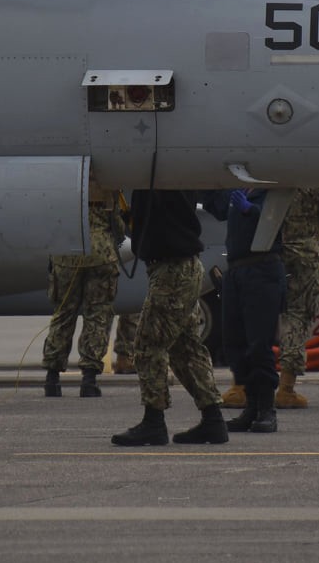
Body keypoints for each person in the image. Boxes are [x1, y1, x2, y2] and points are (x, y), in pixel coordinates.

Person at [111, 190, 228, 446]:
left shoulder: (160, 176)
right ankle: (213, 420)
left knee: (147, 345)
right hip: (178, 267)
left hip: (173, 270)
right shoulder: (161, 179)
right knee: (185, 348)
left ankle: (154, 422)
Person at [208, 189, 287, 433]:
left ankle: (266, 409)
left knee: (258, 343)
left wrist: (250, 210)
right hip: (236, 270)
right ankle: (251, 406)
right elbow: (219, 209)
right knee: (235, 342)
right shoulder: (238, 193)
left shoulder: (272, 193)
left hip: (262, 269)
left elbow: (276, 221)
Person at [41, 195, 123, 397]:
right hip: (101, 252)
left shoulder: (61, 184)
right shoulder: (107, 184)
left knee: (63, 314)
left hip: (66, 251)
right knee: (97, 315)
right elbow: (118, 227)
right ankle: (89, 379)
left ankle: (52, 379)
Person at [273, 187, 319, 409]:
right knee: (298, 316)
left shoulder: (272, 173)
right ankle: (286, 389)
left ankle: (242, 386)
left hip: (271, 253)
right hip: (306, 254)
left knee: (258, 316)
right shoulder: (316, 177)